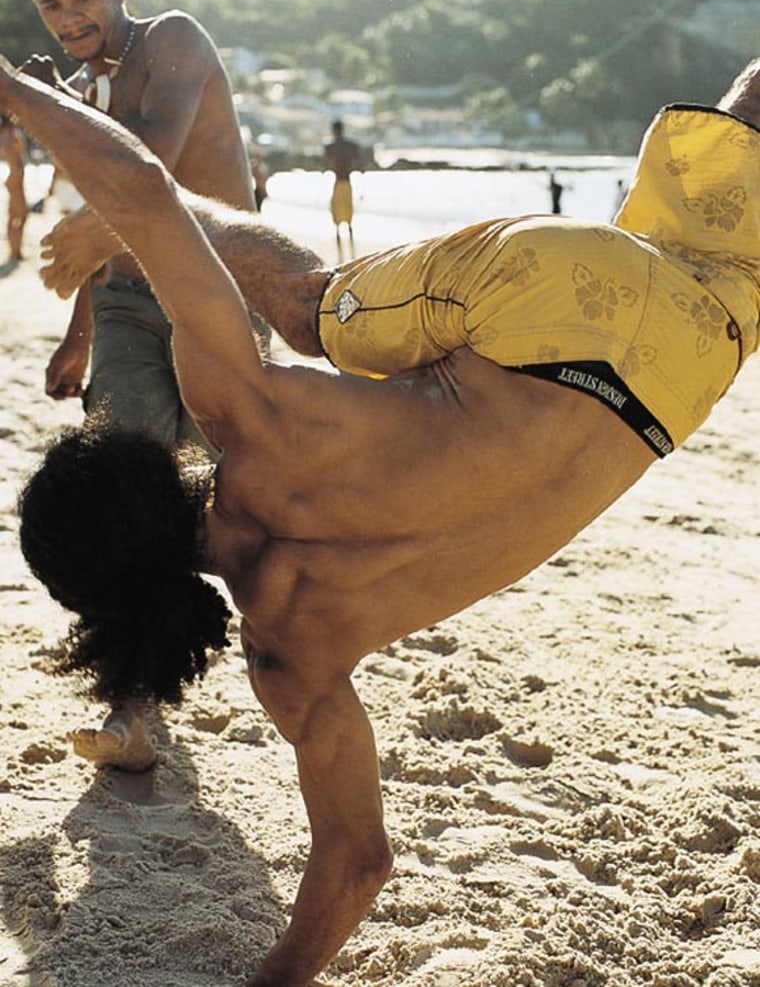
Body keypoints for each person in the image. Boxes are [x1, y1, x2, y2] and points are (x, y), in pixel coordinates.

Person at [4, 55, 760, 987]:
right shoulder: (250, 425)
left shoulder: (292, 654)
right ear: (138, 463)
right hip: (553, 288)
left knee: (734, 174)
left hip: (680, 365)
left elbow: (357, 862)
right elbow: (151, 192)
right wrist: (12, 90)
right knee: (315, 308)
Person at [24, 0, 266, 769]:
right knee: (126, 475)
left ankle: (233, 647)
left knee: (222, 491)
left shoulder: (174, 42)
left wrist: (92, 219)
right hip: (128, 302)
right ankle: (132, 709)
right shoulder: (89, 92)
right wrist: (76, 335)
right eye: (50, 6)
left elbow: (149, 170)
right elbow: (105, 222)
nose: (68, 17)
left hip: (221, 295)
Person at [324, 118, 363, 257]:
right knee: (349, 220)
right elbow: (360, 167)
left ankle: (340, 255)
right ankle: (352, 252)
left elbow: (326, 167)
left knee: (337, 222)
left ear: (333, 131)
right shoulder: (351, 146)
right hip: (348, 184)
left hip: (337, 184)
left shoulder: (330, 147)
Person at [0, 117, 28, 260]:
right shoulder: (7, 131)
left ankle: (16, 250)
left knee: (17, 215)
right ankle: (15, 251)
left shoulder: (11, 130)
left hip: (16, 176)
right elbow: (7, 151)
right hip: (15, 177)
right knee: (19, 215)